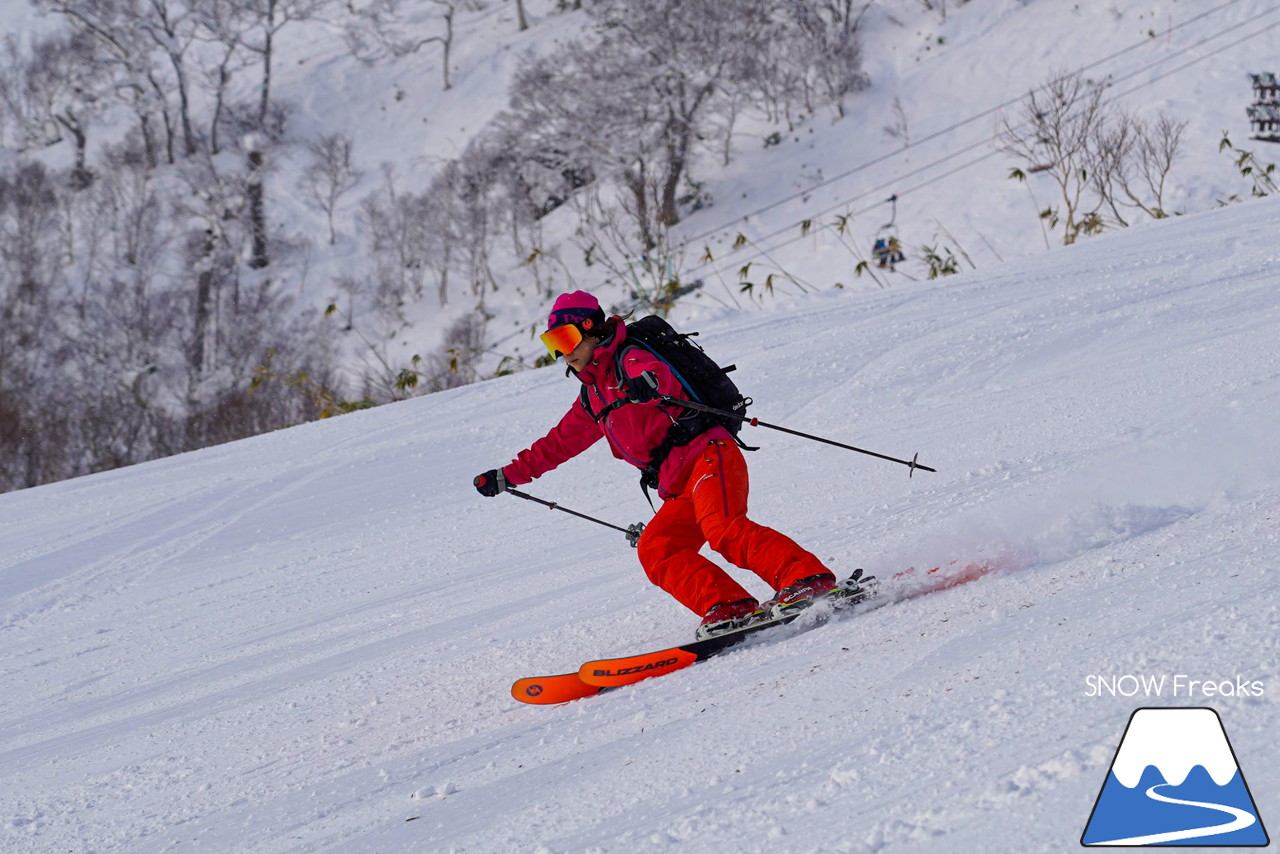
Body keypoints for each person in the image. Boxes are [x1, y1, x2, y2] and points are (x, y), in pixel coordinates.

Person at [474, 291, 839, 639]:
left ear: (591, 330)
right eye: (553, 344)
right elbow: (556, 445)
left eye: (566, 339)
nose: (562, 354)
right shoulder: (593, 395)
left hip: (709, 454)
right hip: (678, 482)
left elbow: (654, 373)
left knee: (723, 529)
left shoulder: (629, 357)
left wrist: (646, 383)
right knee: (657, 547)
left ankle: (808, 579)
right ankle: (728, 605)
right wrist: (507, 476)